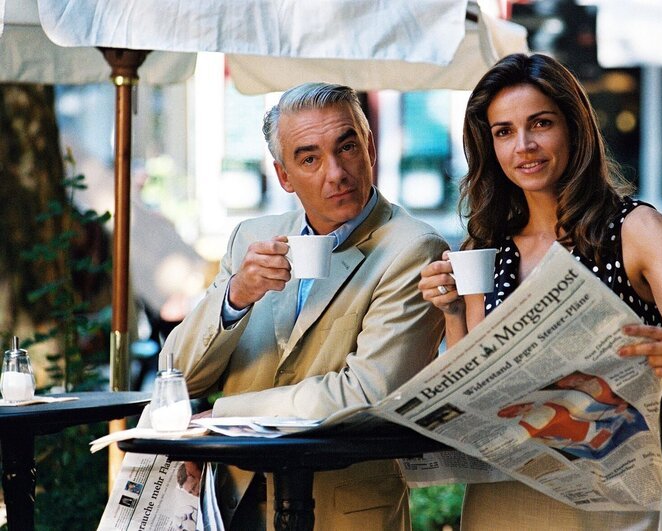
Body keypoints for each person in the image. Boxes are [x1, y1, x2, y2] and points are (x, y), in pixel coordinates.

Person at [418, 53, 662, 529]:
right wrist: (454, 313)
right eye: (503, 131)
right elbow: (476, 387)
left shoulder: (636, 229)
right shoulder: (485, 247)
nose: (523, 145)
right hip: (508, 494)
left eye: (540, 123)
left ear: (573, 127)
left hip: (614, 498)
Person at [161, 82, 448, 529]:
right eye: (309, 158)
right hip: (233, 505)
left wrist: (223, 418)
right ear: (284, 176)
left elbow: (368, 394)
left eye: (346, 147)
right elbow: (176, 377)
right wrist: (236, 296)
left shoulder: (414, 247)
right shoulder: (252, 237)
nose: (335, 173)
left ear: (369, 147)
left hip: (341, 513)